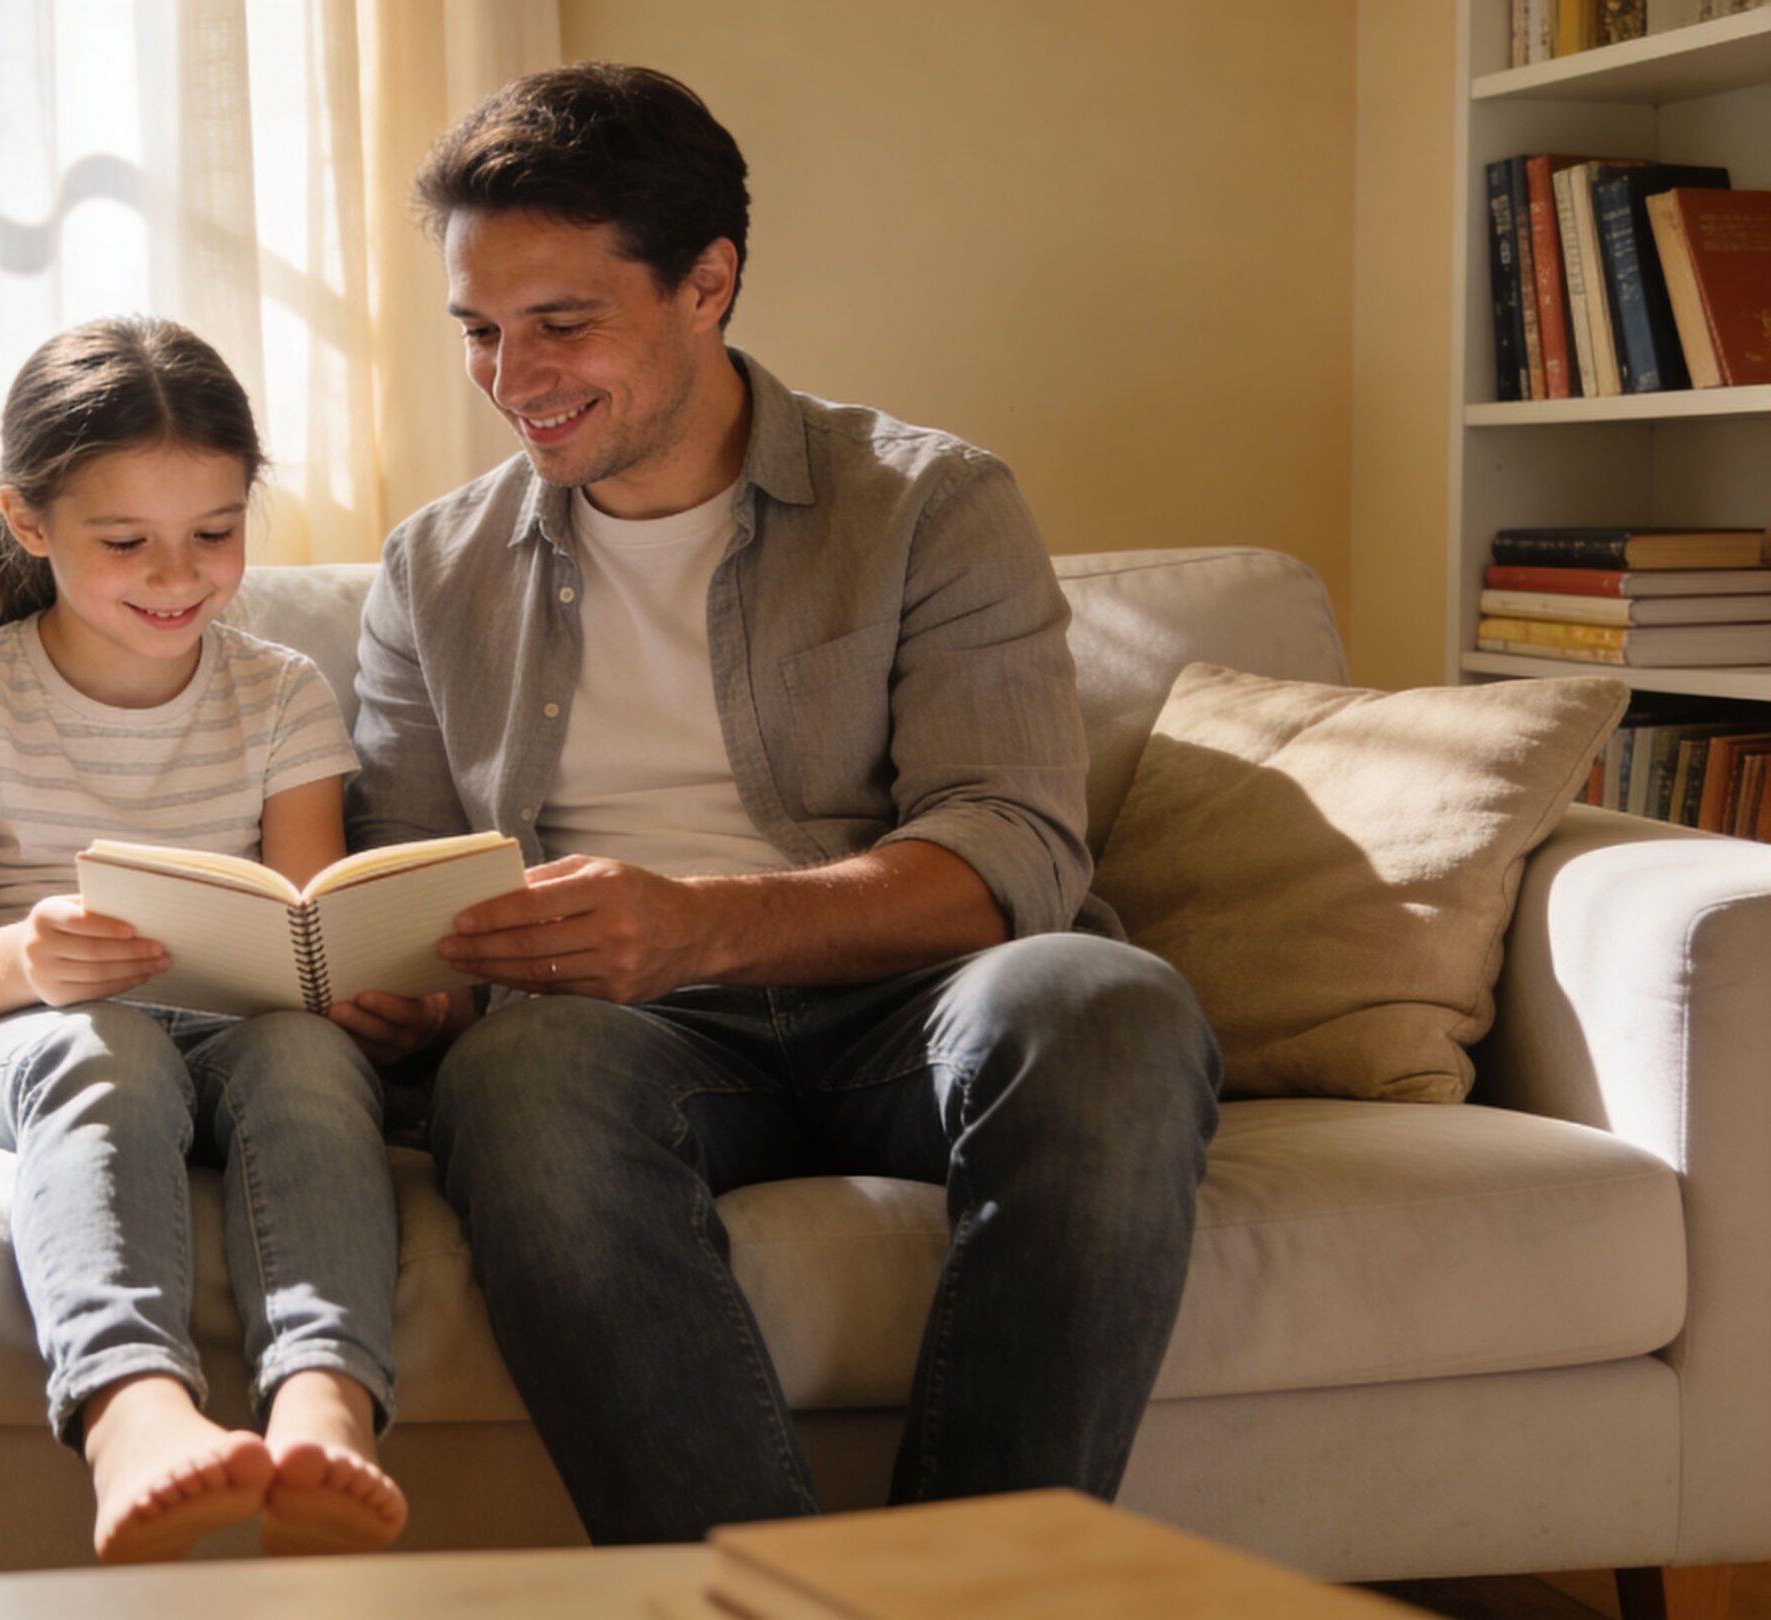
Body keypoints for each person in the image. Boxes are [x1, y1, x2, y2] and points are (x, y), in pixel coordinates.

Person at [326, 64, 1224, 1544]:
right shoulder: (433, 569)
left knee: (1107, 1004)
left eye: (562, 322)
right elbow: (413, 885)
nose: (511, 374)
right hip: (620, 1046)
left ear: (708, 284)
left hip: (912, 1008)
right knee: (515, 1082)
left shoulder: (932, 504)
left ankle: (977, 1585)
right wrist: (404, 992)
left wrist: (696, 925)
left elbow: (1014, 853)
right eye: (479, 331)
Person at [0, 315, 412, 1563]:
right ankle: (131, 1413)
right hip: (11, 1043)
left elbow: (311, 926)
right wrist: (27, 960)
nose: (179, 576)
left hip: (229, 1036)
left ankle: (325, 1408)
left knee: (312, 1064)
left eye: (215, 535)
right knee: (104, 1043)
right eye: (127, 544)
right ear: (31, 523)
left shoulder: (279, 692)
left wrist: (359, 990)